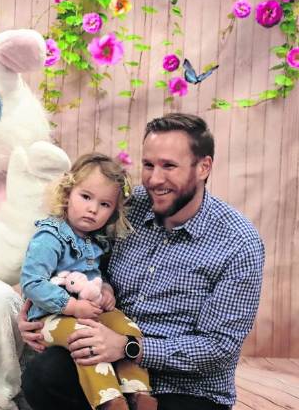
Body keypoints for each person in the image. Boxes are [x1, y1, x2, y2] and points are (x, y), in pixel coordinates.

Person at [19, 113, 265, 410]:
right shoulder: (124, 207)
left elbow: (219, 348)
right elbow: (79, 265)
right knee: (43, 374)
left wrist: (129, 347)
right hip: (105, 365)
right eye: (149, 165)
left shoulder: (239, 242)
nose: (154, 179)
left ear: (203, 167)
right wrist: (38, 312)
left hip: (187, 387)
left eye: (169, 166)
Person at [20, 153, 156, 410]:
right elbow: (32, 282)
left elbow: (94, 276)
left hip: (86, 314)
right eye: (86, 197)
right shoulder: (50, 236)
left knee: (125, 326)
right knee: (87, 338)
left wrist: (105, 289)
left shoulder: (95, 241)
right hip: (49, 319)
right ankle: (108, 400)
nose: (93, 209)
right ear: (67, 193)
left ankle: (138, 392)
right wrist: (71, 307)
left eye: (104, 204)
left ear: (113, 211)